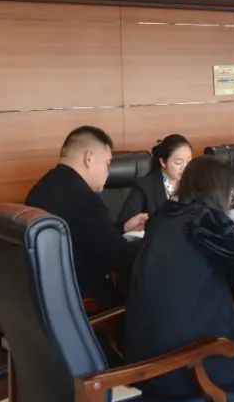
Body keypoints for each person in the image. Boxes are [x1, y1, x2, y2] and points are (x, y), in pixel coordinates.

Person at [125, 157, 234, 402]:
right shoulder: (205, 220)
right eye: (231, 195)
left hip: (145, 360)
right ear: (219, 192)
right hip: (184, 365)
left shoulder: (163, 216)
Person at [25, 126, 144, 308]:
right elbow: (121, 258)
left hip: (50, 299)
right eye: (107, 163)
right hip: (85, 305)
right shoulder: (83, 199)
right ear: (89, 158)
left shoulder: (42, 188)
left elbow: (83, 235)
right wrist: (154, 240)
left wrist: (123, 229)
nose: (108, 172)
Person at [118, 134, 193, 225]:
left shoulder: (193, 182)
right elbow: (124, 224)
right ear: (163, 162)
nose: (185, 167)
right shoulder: (145, 186)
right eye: (178, 162)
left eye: (189, 161)